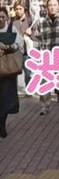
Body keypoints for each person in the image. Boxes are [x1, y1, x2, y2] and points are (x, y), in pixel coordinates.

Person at [27, 0, 59, 114]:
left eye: (54, 5)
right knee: (44, 80)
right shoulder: (41, 22)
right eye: (50, 5)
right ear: (46, 8)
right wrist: (30, 34)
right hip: (46, 55)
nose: (52, 8)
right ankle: (45, 106)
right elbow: (36, 37)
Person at [0, 7, 25, 138]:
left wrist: (9, 47)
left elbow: (20, 45)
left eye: (2, 17)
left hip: (8, 70)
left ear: (7, 18)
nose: (0, 19)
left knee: (6, 98)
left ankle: (2, 125)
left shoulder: (12, 29)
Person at [12, 0, 33, 88]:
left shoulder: (29, 20)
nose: (18, 11)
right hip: (15, 51)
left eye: (20, 9)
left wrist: (31, 33)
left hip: (26, 51)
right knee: (13, 72)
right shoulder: (12, 21)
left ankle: (28, 87)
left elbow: (36, 34)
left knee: (28, 72)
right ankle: (13, 89)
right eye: (16, 9)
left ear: (24, 9)